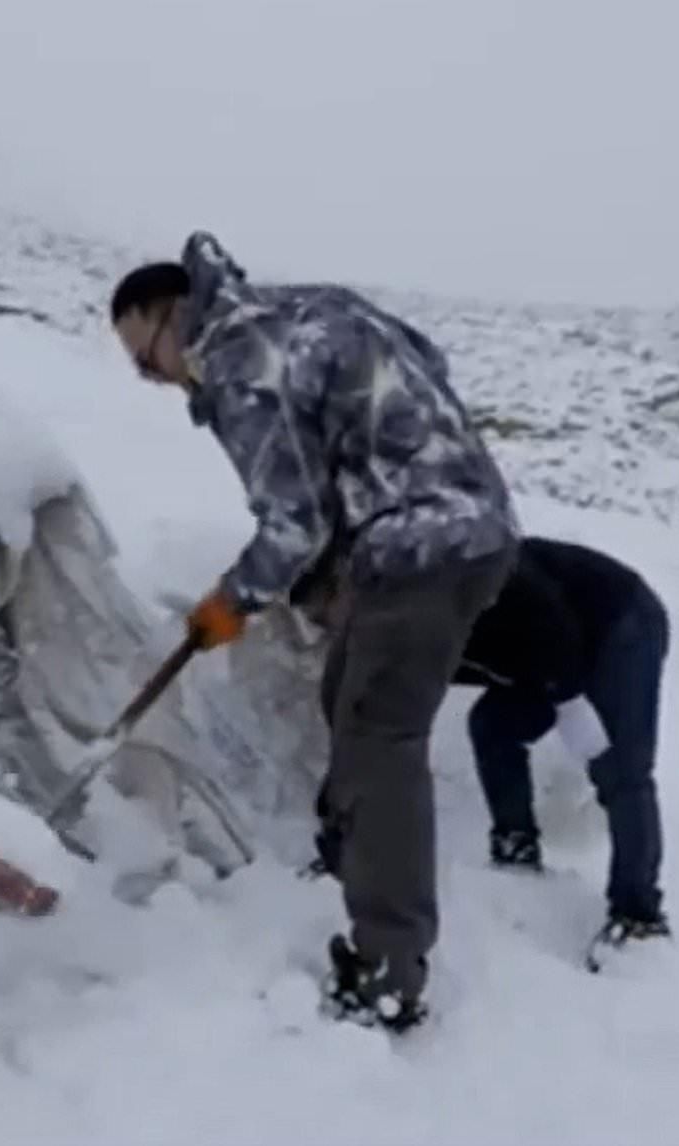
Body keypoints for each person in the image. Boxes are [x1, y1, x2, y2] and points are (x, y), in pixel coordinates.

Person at [109, 233, 519, 1030]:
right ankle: (346, 863)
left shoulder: (238, 360)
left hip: (417, 546)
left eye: (144, 357)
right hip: (473, 530)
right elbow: (424, 362)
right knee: (347, 698)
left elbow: (293, 522)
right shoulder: (306, 309)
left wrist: (234, 600)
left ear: (170, 315)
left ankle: (389, 970)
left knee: (378, 739)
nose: (152, 379)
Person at [453, 535, 670, 946]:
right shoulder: (403, 632)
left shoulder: (474, 577)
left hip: (620, 621)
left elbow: (548, 617)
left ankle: (639, 916)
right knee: (493, 725)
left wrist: (569, 702)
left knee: (620, 769)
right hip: (545, 655)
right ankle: (515, 847)